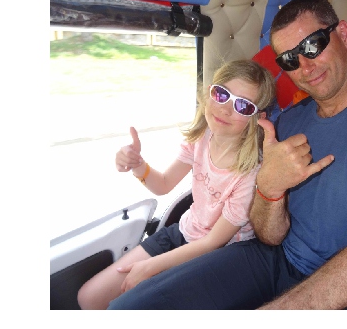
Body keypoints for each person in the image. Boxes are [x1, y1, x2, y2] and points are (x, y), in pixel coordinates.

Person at [107, 0, 347, 310]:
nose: (305, 66)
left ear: (342, 34)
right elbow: (269, 236)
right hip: (275, 259)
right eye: (290, 59)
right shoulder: (285, 123)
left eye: (312, 45)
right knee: (130, 307)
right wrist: (269, 189)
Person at [77, 59, 276, 309]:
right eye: (221, 94)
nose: (226, 109)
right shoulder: (202, 138)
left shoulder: (250, 173)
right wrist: (138, 165)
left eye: (243, 106)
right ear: (209, 93)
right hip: (184, 232)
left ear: (258, 118)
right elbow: (163, 184)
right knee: (89, 298)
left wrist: (150, 266)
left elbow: (213, 242)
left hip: (218, 254)